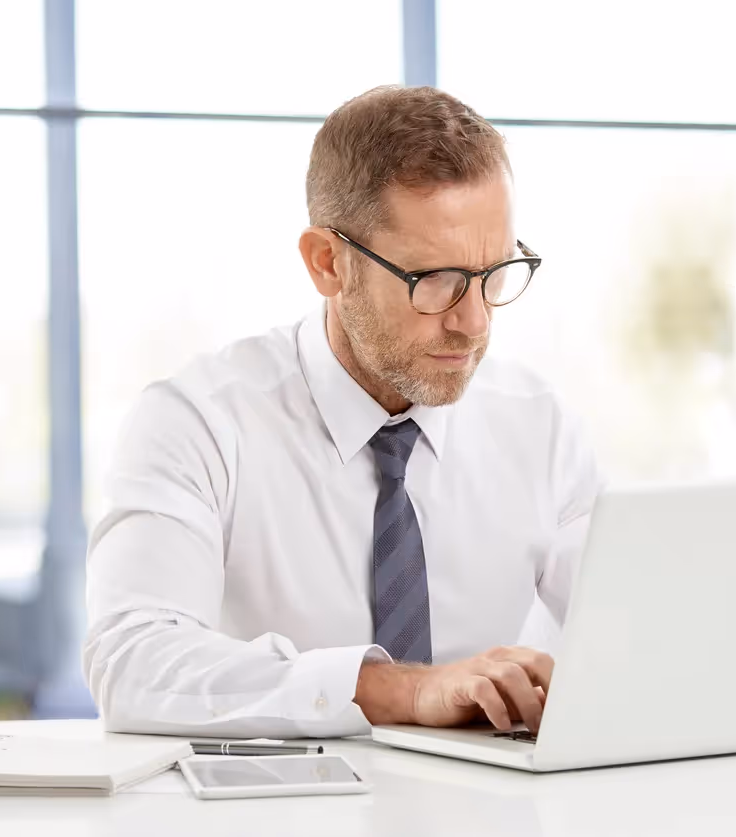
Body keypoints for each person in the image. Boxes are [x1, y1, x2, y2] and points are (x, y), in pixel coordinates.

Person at [82, 86, 601, 739]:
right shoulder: (199, 422)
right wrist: (400, 690)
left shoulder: (541, 429)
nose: (473, 321)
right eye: (434, 279)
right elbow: (130, 661)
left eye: (495, 272)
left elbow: (643, 635)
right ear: (328, 263)